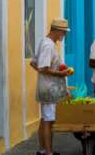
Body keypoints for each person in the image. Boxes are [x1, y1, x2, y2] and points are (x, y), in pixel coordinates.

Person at [31, 18, 73, 155]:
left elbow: (33, 63)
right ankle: (48, 152)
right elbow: (43, 67)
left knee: (45, 119)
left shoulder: (45, 42)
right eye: (63, 32)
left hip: (46, 86)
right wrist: (60, 74)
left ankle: (43, 149)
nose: (64, 35)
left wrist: (48, 74)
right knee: (49, 121)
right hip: (49, 88)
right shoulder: (48, 45)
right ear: (56, 31)